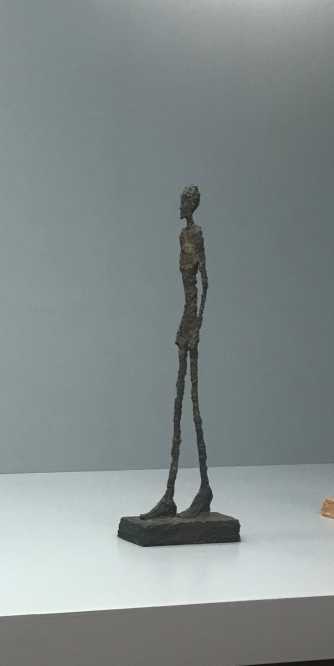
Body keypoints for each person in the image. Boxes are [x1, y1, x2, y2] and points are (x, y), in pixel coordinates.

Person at [143, 185, 212, 519]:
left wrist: (197, 324)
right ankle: (169, 495)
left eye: (185, 202)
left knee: (192, 403)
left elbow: (205, 282)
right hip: (185, 321)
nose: (181, 206)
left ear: (192, 204)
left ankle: (204, 490)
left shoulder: (195, 235)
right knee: (177, 405)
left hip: (191, 323)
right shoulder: (182, 234)